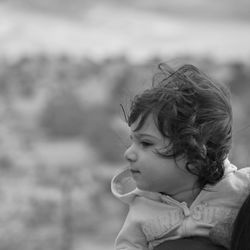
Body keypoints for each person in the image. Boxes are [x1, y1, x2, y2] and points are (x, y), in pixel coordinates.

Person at [111, 63, 250, 250]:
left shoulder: (239, 190)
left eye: (146, 143)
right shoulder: (142, 208)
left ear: (194, 151)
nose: (128, 153)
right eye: (132, 142)